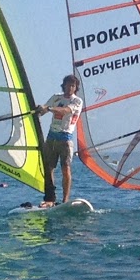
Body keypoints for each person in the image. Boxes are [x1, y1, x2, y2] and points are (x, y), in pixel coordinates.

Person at [35, 74, 85, 206]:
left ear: (75, 88)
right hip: (52, 137)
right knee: (49, 168)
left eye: (73, 86)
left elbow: (65, 111)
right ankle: (50, 199)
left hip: (65, 138)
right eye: (68, 85)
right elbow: (42, 111)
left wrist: (49, 108)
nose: (70, 88)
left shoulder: (77, 101)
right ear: (64, 86)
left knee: (65, 168)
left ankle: (65, 200)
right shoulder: (56, 97)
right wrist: (39, 109)